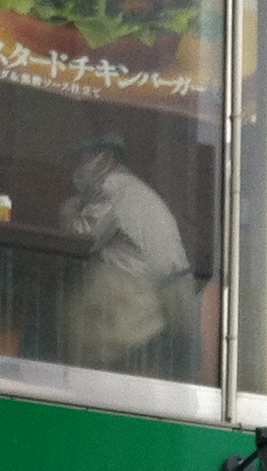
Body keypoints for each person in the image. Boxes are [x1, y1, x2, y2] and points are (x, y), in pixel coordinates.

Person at [59, 134, 198, 371]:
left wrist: (70, 207)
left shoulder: (113, 186)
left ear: (107, 158)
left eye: (82, 160)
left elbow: (80, 238)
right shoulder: (142, 193)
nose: (77, 169)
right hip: (155, 315)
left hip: (125, 313)